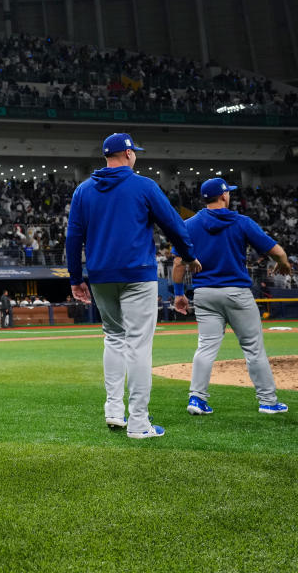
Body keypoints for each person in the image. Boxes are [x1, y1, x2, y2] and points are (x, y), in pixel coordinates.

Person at [66, 132, 200, 439]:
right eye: (133, 152)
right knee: (139, 345)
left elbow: (73, 238)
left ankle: (114, 410)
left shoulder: (84, 190)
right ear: (127, 154)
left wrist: (76, 279)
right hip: (137, 275)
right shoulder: (144, 186)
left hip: (101, 275)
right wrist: (189, 255)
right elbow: (175, 226)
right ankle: (139, 422)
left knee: (113, 338)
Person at [173, 178, 291, 415]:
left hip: (205, 293)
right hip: (236, 292)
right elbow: (276, 251)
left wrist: (178, 295)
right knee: (253, 348)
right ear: (224, 196)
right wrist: (284, 263)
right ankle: (268, 401)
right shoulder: (241, 222)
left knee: (205, 347)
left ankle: (196, 399)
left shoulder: (189, 225)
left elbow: (178, 263)